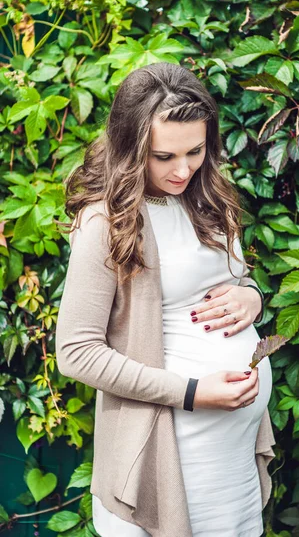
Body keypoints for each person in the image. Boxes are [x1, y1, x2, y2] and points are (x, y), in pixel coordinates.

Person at [55, 62, 275, 537]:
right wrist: (192, 393)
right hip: (168, 451)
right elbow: (75, 352)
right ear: (130, 148)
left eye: (195, 151)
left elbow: (227, 279)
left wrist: (252, 297)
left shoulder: (207, 196)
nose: (182, 169)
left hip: (229, 455)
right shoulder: (105, 223)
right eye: (163, 156)